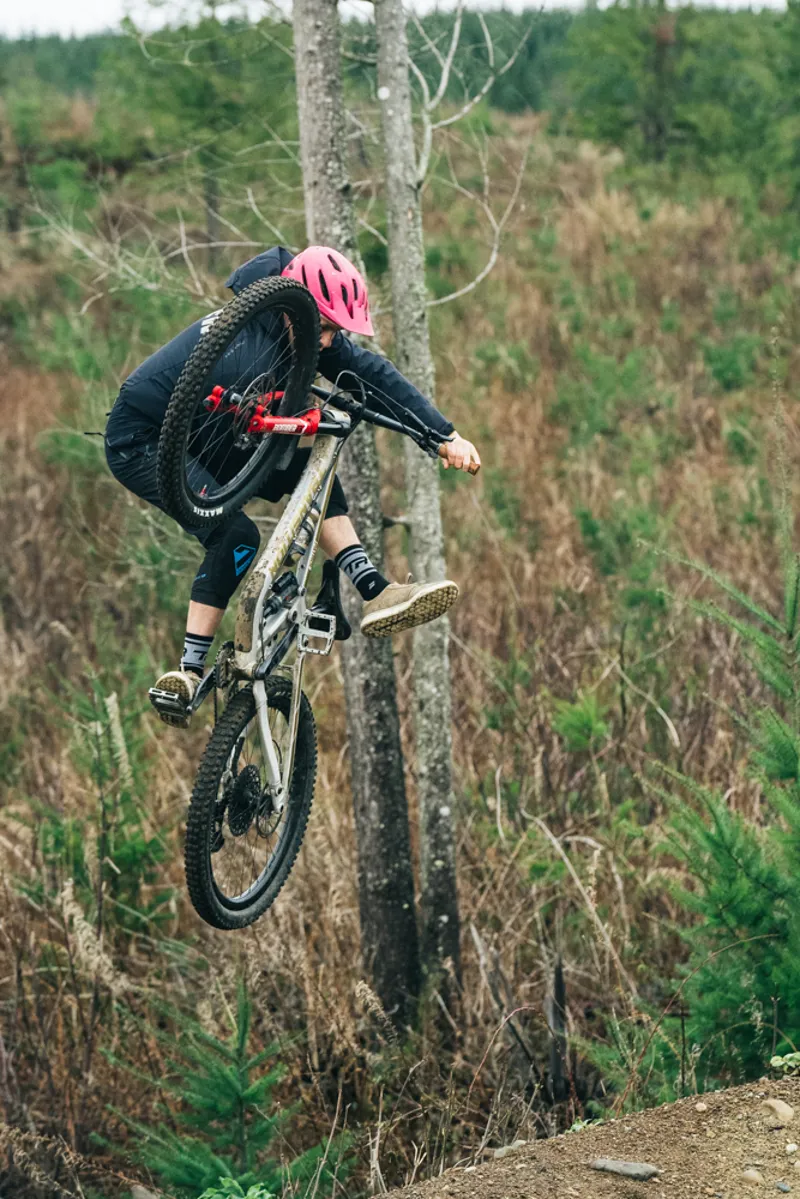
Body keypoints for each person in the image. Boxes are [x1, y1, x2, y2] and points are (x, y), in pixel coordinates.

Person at [104, 245, 481, 727]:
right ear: (294, 305)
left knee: (313, 470)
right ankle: (189, 671)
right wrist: (298, 415)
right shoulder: (248, 344)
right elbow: (244, 432)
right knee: (235, 535)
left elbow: (376, 375)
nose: (325, 342)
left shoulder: (300, 324)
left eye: (334, 332)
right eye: (323, 328)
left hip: (210, 435)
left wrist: (443, 435)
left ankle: (374, 588)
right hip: (143, 439)